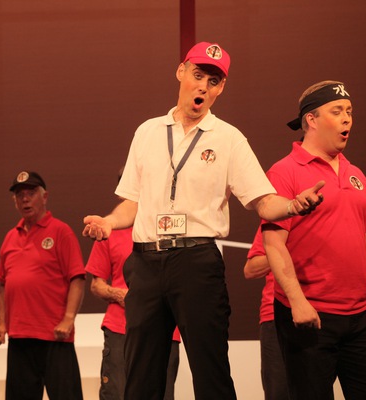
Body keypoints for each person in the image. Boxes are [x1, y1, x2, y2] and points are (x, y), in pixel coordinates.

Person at [82, 41, 324, 399]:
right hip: (146, 263)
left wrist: (292, 205)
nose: (203, 87)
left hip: (196, 262)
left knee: (211, 373)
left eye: (213, 81)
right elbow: (131, 202)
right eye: (197, 76)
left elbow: (263, 201)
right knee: (141, 378)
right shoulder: (147, 132)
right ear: (181, 72)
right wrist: (108, 222)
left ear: (220, 88)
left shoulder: (229, 138)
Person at [262, 81, 366, 399]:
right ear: (311, 120)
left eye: (349, 111)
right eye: (337, 111)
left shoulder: (356, 174)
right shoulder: (284, 172)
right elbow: (273, 244)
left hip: (361, 315)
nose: (347, 118)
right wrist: (297, 302)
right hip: (311, 316)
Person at [0, 171, 86, 400]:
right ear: (14, 201)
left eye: (31, 193)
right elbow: (3, 285)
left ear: (45, 197)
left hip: (55, 336)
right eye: (19, 195)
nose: (25, 199)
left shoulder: (60, 231)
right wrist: (2, 324)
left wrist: (68, 319)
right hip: (19, 337)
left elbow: (77, 278)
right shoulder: (10, 237)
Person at [86, 217, 181, 399]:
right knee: (117, 394)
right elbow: (96, 285)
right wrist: (119, 295)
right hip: (120, 328)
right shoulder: (109, 230)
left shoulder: (169, 228)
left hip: (164, 328)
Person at [244, 230, 289, 400]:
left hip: (327, 313)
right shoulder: (276, 220)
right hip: (276, 317)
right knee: (278, 392)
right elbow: (250, 269)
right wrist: (293, 250)